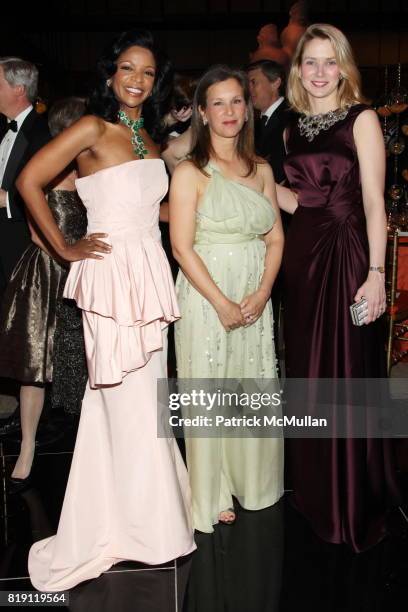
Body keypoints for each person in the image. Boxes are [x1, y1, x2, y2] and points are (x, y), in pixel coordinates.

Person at [17, 29, 195, 591]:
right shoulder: (92, 128)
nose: (137, 80)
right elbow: (29, 181)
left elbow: (152, 205)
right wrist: (65, 247)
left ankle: (151, 519)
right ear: (110, 75)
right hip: (110, 275)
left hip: (147, 272)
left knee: (147, 400)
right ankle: (131, 528)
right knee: (123, 403)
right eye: (127, 69)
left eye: (146, 72)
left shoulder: (147, 134)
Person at [276, 23, 399, 552]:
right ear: (298, 69)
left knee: (346, 370)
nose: (321, 72)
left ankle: (352, 500)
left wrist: (377, 273)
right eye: (311, 62)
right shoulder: (290, 127)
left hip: (349, 256)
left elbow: (375, 201)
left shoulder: (362, 119)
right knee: (308, 370)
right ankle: (316, 490)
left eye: (330, 62)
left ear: (344, 67)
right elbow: (294, 201)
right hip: (301, 261)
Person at [170, 65, 284, 532]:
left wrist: (262, 291)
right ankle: (211, 491)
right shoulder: (190, 172)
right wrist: (220, 301)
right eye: (218, 102)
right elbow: (181, 245)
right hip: (206, 294)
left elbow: (276, 239)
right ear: (202, 112)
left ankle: (253, 479)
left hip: (255, 294)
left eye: (237, 100)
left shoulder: (262, 169)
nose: (230, 110)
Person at [0, 97, 88, 489]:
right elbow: (36, 229)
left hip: (86, 273)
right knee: (35, 367)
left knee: (87, 365)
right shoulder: (47, 168)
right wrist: (67, 256)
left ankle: (92, 451)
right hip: (45, 273)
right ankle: (28, 448)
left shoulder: (94, 172)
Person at [0, 57, 51, 438]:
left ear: (18, 89)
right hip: (4, 240)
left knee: (25, 329)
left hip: (25, 243)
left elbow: (51, 192)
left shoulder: (44, 131)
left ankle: (28, 412)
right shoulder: (2, 130)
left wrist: (4, 200)